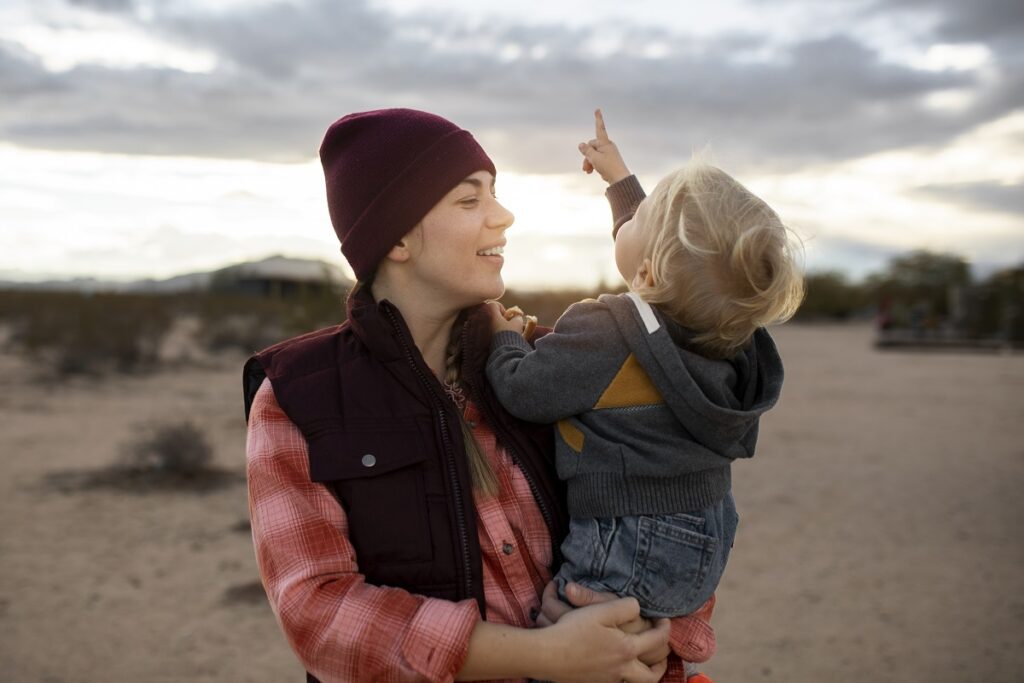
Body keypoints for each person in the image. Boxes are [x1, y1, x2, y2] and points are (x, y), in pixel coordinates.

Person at [243, 108, 718, 683]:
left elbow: (676, 494)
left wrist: (656, 637)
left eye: (495, 193)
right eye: (470, 201)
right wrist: (541, 657)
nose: (504, 216)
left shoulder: (559, 361)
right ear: (395, 237)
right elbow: (317, 611)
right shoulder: (297, 395)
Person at [486, 111, 804, 660]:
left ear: (649, 276)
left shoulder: (607, 331)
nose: (627, 221)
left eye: (639, 218)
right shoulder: (725, 337)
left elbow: (524, 391)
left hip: (627, 538)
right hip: (707, 533)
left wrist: (504, 338)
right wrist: (620, 180)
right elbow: (663, 260)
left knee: (569, 654)